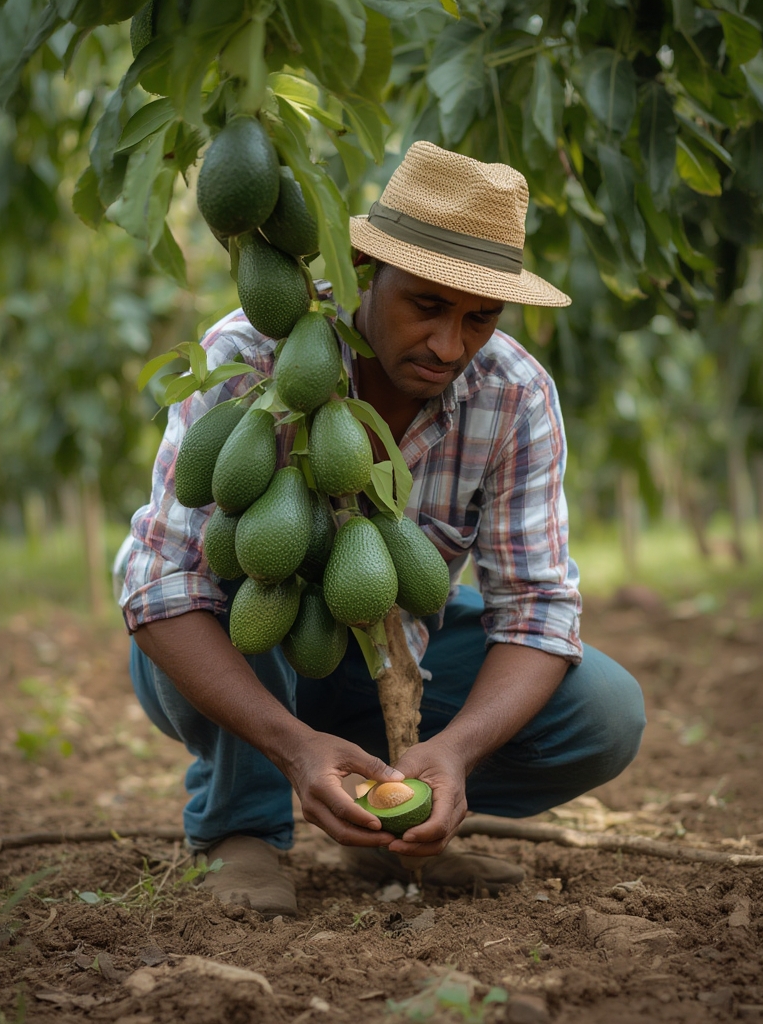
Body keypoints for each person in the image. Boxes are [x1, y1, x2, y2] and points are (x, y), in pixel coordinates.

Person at [118, 141, 646, 918]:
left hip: (398, 659)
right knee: (251, 559)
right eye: (426, 307)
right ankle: (242, 825)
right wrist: (292, 746)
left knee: (603, 713)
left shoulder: (516, 394)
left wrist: (456, 752)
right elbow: (157, 581)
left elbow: (538, 608)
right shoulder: (251, 355)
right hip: (249, 657)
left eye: (480, 318)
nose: (449, 346)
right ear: (366, 274)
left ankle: (378, 817)